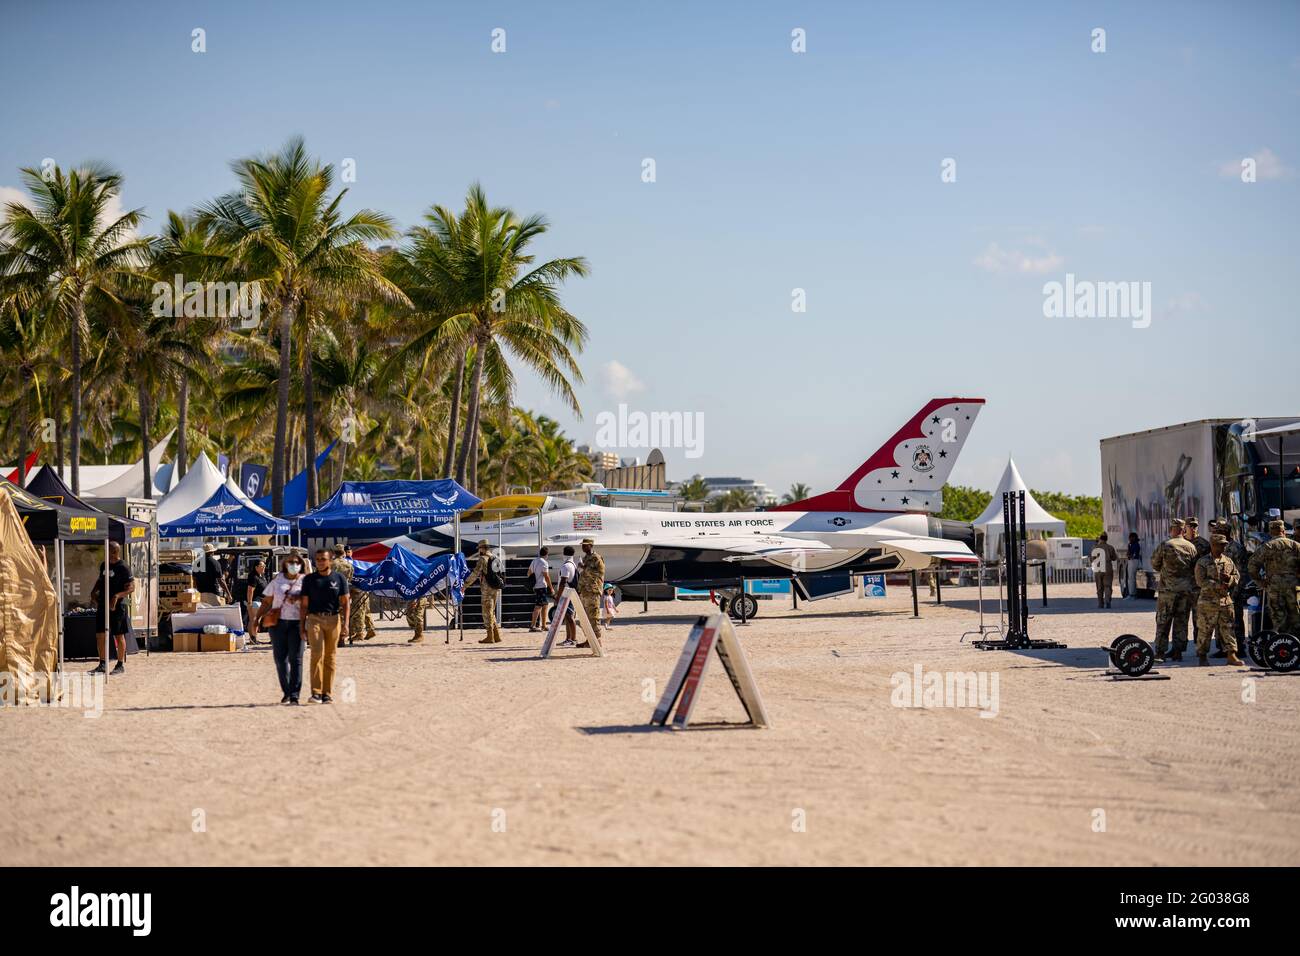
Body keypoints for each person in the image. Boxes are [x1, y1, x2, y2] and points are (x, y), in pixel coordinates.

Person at [299, 547, 350, 704]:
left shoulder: (339, 579)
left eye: (323, 559)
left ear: (330, 560)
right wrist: (302, 626)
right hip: (314, 619)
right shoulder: (309, 580)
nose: (320, 562)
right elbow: (304, 605)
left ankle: (327, 693)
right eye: (318, 559)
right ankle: (316, 692)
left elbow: (346, 602)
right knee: (316, 654)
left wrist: (346, 624)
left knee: (330, 656)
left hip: (334, 619)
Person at [254, 556, 305, 704]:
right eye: (291, 563)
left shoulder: (305, 581)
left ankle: (295, 694)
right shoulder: (277, 580)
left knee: (296, 659)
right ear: (285, 565)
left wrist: (299, 600)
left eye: (296, 563)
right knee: (280, 659)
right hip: (278, 624)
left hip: (297, 624)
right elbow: (266, 601)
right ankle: (287, 692)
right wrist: (256, 619)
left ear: (300, 565)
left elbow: (311, 601)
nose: (293, 565)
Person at [1150, 518, 1197, 662]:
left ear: (1171, 529)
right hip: (1185, 591)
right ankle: (1178, 652)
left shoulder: (1165, 545)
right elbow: (1195, 568)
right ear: (1183, 530)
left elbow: (1155, 564)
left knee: (1163, 621)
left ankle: (1160, 653)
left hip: (1167, 591)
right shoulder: (1191, 547)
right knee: (1181, 622)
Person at [1195, 534, 1243, 666]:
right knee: (1205, 630)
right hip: (1207, 602)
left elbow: (1236, 576)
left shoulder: (1228, 561)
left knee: (1228, 629)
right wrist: (1218, 584)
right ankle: (1202, 656)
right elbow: (1200, 581)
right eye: (1221, 544)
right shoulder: (1203, 562)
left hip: (1225, 601)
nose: (1223, 546)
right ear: (1213, 545)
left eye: (1224, 544)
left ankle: (1231, 655)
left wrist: (1230, 580)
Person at [1248, 519, 1300, 636]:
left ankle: (1282, 645)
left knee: (1278, 617)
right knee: (1296, 616)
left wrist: (1260, 582)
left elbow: (1252, 566)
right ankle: (1296, 644)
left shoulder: (1267, 546)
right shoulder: (1295, 546)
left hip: (1274, 587)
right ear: (1283, 530)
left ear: (1271, 532)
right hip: (1294, 586)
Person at [89, 541, 134, 676]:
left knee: (118, 635)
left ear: (115, 552)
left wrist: (117, 596)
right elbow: (100, 579)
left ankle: (120, 664)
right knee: (100, 635)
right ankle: (102, 663)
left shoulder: (123, 567)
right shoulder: (104, 565)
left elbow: (131, 587)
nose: (106, 554)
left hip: (118, 607)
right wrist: (94, 591)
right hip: (103, 604)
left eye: (108, 551)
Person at [463, 539, 502, 644]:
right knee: (492, 611)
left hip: (487, 589)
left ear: (482, 548)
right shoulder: (495, 557)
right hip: (496, 588)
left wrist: (465, 585)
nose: (479, 550)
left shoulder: (482, 559)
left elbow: (475, 574)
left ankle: (490, 636)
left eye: (479, 548)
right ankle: (496, 635)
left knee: (486, 612)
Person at [576, 537, 605, 647]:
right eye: (582, 545)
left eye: (585, 545)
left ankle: (597, 640)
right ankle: (589, 640)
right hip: (584, 591)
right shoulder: (586, 558)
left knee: (594, 616)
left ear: (591, 546)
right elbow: (583, 576)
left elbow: (600, 572)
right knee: (585, 618)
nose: (583, 547)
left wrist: (584, 568)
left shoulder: (596, 558)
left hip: (593, 591)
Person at [556, 546, 579, 647]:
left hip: (567, 594)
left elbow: (563, 582)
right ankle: (568, 639)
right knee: (568, 616)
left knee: (569, 617)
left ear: (564, 553)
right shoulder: (573, 564)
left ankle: (573, 639)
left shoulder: (565, 566)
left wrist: (558, 596)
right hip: (571, 593)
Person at [242, 559, 268, 644]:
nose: (264, 567)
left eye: (264, 566)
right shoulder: (253, 576)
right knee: (254, 620)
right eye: (262, 566)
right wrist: (249, 602)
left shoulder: (261, 576)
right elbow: (250, 590)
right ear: (256, 567)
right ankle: (253, 638)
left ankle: (253, 638)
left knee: (256, 620)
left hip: (261, 601)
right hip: (255, 601)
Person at [332, 546, 354, 648]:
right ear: (343, 553)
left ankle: (335, 638)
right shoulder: (348, 564)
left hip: (333, 591)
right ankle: (342, 639)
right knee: (345, 615)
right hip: (345, 591)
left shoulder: (331, 564)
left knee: (334, 616)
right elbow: (350, 578)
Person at [528, 547, 554, 632]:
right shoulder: (544, 562)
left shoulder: (534, 561)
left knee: (545, 605)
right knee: (538, 606)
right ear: (546, 554)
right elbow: (546, 576)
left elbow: (529, 573)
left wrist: (534, 579)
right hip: (542, 586)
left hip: (536, 586)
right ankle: (532, 626)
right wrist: (551, 588)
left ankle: (543, 625)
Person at [1090, 532, 1117, 608]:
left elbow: (1092, 559)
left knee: (1099, 587)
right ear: (1106, 539)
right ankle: (1107, 601)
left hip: (1098, 567)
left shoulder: (1095, 547)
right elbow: (1114, 558)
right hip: (1107, 567)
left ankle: (1100, 603)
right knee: (1107, 586)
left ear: (1100, 538)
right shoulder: (1110, 547)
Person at [1124, 532, 1141, 599]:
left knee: (1131, 578)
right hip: (1132, 561)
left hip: (1133, 561)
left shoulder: (1135, 545)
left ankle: (1132, 594)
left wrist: (1129, 555)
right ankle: (1132, 593)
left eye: (1130, 537)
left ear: (1134, 537)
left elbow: (1133, 555)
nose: (1129, 539)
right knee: (1131, 578)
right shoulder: (1132, 544)